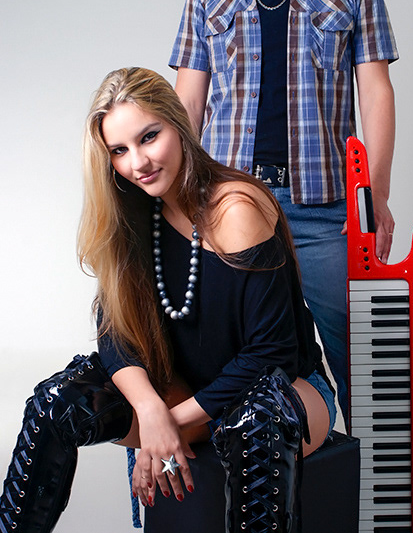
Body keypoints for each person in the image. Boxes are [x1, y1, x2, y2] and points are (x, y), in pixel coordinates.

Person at [0, 67, 336, 533]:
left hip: (282, 389)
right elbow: (115, 333)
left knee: (254, 424)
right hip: (185, 390)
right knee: (56, 404)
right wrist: (151, 411)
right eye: (119, 150)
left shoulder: (235, 207)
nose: (138, 162)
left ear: (178, 125)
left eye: (148, 137)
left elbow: (271, 352)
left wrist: (167, 424)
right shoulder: (134, 214)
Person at [170, 0, 399, 426]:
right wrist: (176, 202)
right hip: (229, 208)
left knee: (364, 366)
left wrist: (374, 195)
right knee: (229, 360)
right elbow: (186, 101)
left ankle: (373, 483)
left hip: (326, 209)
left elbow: (375, 90)